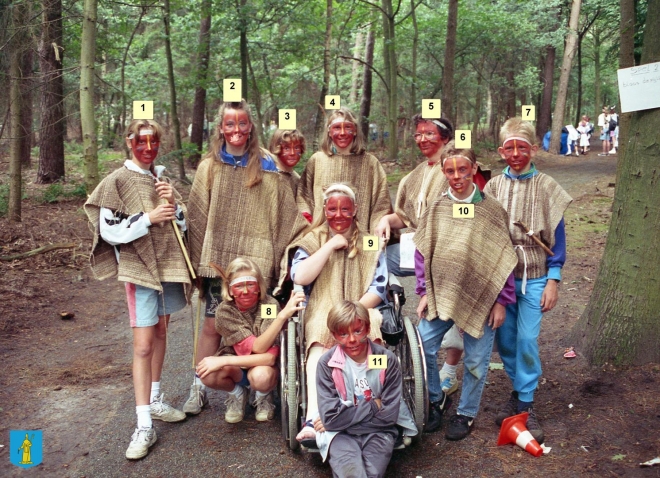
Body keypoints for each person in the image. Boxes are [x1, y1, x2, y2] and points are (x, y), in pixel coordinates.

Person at [186, 100, 307, 415]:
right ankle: (200, 387)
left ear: (251, 126)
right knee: (213, 326)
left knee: (262, 326)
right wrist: (198, 262)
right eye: (230, 124)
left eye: (242, 123)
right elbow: (198, 215)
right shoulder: (209, 165)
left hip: (259, 264)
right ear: (221, 128)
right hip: (219, 264)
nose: (236, 130)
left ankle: (261, 389)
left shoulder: (267, 165)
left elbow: (285, 215)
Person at [84, 119, 190, 460]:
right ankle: (143, 423)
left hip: (168, 267)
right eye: (141, 142)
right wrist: (148, 218)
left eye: (153, 142)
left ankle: (156, 399)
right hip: (141, 270)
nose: (147, 148)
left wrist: (173, 206)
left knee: (161, 330)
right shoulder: (116, 181)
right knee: (143, 345)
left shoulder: (160, 178)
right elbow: (109, 230)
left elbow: (182, 224)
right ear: (130, 142)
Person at [413, 142, 518, 438]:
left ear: (473, 169)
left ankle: (466, 413)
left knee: (475, 360)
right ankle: (436, 399)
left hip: (481, 298)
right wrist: (423, 291)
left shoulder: (491, 209)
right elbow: (422, 252)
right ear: (444, 172)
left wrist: (501, 301)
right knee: (423, 346)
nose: (457, 176)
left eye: (462, 169)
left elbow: (504, 257)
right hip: (441, 293)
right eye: (450, 171)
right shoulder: (437, 207)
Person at [484, 117, 572, 444]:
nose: (517, 153)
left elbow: (558, 239)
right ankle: (519, 391)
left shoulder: (547, 186)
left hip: (535, 278)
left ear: (534, 148)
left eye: (523, 147)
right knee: (504, 341)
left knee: (526, 339)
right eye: (510, 148)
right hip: (504, 281)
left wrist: (554, 278)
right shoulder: (492, 187)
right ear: (501, 151)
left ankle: (526, 403)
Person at [375, 115, 475, 396]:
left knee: (450, 300)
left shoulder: (455, 167)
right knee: (377, 259)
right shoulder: (415, 174)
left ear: (445, 137)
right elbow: (405, 217)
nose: (423, 139)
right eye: (418, 134)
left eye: (430, 133)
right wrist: (385, 221)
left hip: (448, 250)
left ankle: (449, 370)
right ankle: (386, 318)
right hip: (417, 246)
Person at [285, 183, 388, 446]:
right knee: (319, 335)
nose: (339, 214)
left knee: (374, 328)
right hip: (322, 307)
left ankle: (375, 406)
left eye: (345, 209)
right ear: (325, 210)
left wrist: (355, 312)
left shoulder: (368, 240)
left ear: (355, 211)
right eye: (333, 209)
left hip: (362, 308)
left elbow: (379, 286)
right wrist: (330, 246)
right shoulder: (312, 239)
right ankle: (314, 417)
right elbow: (299, 275)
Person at [315, 300, 417, 478]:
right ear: (334, 335)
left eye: (357, 331)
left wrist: (342, 419)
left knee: (372, 474)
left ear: (368, 328)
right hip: (340, 435)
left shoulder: (385, 359)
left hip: (378, 432)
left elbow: (388, 417)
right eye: (343, 334)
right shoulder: (327, 364)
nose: (352, 340)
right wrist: (373, 405)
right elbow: (331, 419)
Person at [196, 258, 305, 423]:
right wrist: (224, 362)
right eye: (239, 286)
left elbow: (266, 355)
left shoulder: (268, 306)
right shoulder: (225, 312)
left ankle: (263, 395)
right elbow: (257, 349)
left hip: (263, 366)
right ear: (230, 290)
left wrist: (282, 315)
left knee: (261, 376)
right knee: (208, 373)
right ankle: (237, 394)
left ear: (259, 286)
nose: (245, 291)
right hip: (238, 366)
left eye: (250, 284)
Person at [296, 107, 392, 233]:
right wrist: (309, 223)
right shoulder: (317, 161)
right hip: (321, 238)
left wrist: (373, 238)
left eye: (347, 127)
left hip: (360, 238)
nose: (342, 133)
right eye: (337, 128)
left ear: (355, 131)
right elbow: (304, 196)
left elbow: (381, 204)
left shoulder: (370, 163)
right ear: (329, 131)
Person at [268, 128, 306, 200]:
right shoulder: (268, 174)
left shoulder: (297, 180)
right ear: (276, 148)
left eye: (296, 147)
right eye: (286, 148)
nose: (292, 153)